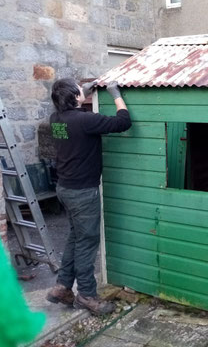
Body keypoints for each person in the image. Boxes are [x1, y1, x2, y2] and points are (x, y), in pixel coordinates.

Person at [46, 78, 131, 316]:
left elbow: (73, 111)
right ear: (74, 97)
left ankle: (62, 287)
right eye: (78, 89)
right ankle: (86, 295)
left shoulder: (57, 119)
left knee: (75, 237)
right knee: (86, 242)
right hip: (83, 193)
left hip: (64, 189)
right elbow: (124, 122)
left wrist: (85, 90)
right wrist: (115, 94)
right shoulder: (85, 120)